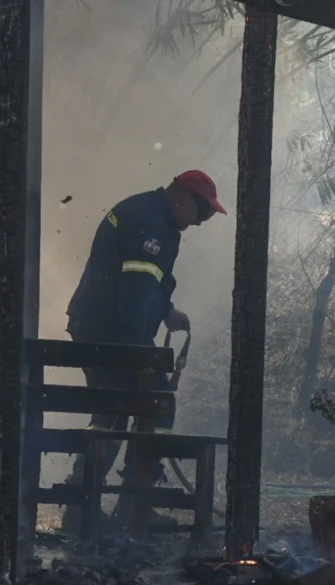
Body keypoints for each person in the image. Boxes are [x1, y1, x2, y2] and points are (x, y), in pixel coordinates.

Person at [61, 170, 227, 533]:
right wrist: (141, 360)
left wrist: (166, 309)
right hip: (109, 332)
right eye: (202, 213)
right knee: (151, 402)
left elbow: (145, 283)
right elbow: (133, 300)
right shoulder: (150, 225)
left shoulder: (157, 219)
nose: (199, 223)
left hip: (104, 327)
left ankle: (90, 507)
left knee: (114, 411)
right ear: (184, 197)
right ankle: (127, 506)